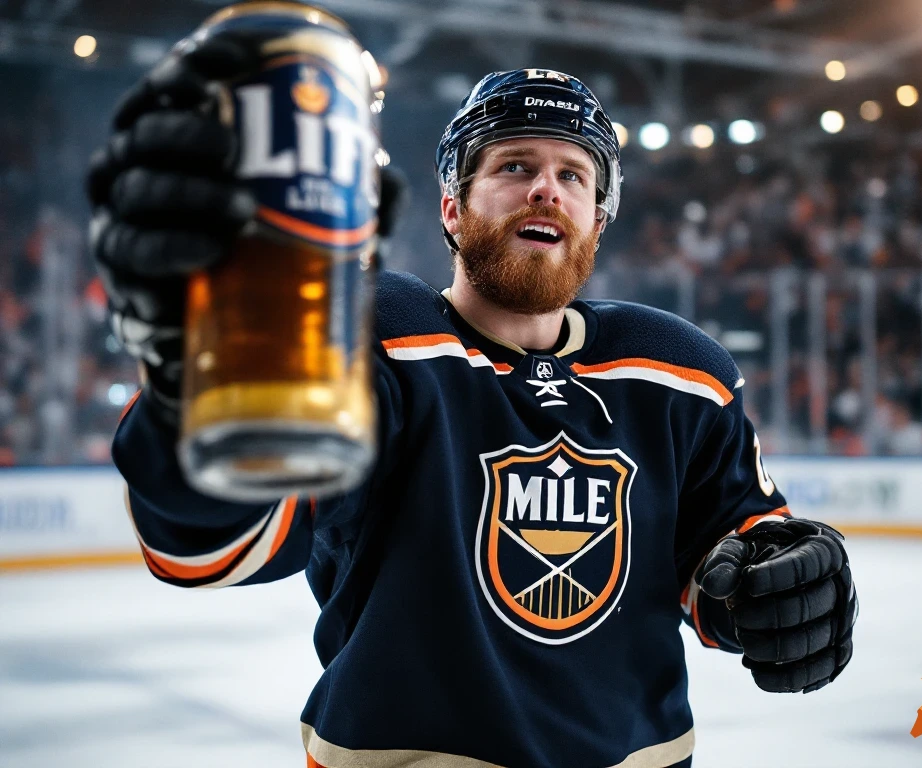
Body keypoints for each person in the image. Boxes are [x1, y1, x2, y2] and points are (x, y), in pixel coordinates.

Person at [87, 35, 857, 768]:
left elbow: (728, 553)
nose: (546, 188)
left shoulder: (680, 373)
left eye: (574, 175)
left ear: (597, 219)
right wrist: (195, 374)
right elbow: (207, 543)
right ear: (454, 210)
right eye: (514, 165)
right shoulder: (376, 338)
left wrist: (782, 587)